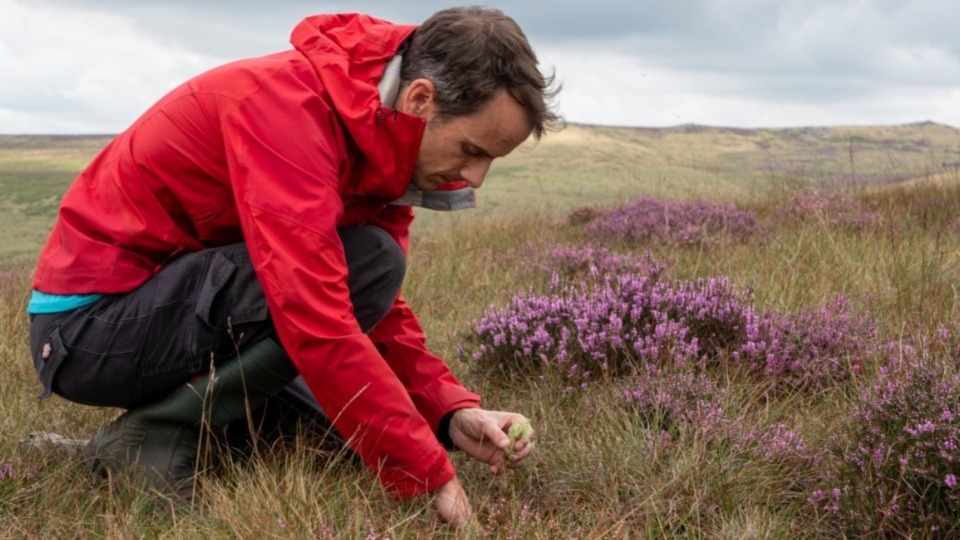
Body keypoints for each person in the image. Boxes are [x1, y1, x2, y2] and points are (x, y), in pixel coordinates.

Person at [26, 5, 560, 528]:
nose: (475, 177)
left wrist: (447, 412)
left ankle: (121, 444)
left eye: (491, 159)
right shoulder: (284, 110)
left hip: (165, 318)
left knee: (340, 436)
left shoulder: (379, 136)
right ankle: (155, 435)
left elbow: (374, 308)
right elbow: (317, 311)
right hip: (88, 333)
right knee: (372, 270)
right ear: (420, 98)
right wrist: (426, 471)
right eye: (471, 149)